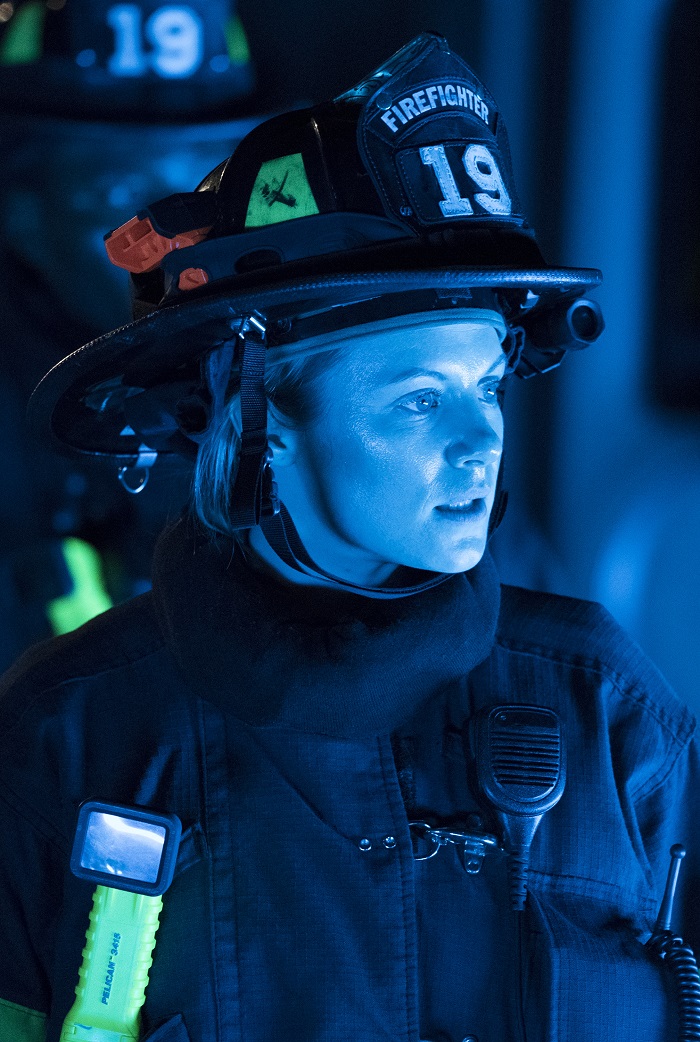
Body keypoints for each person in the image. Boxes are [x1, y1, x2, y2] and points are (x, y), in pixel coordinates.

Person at [1, 32, 698, 1042]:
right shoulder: (73, 736)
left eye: (486, 387)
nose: (480, 442)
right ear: (263, 422)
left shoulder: (608, 712)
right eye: (419, 400)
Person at [0, 0, 258, 670]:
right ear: (21, 213)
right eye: (119, 191)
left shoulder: (313, 379)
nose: (176, 235)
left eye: (203, 185)